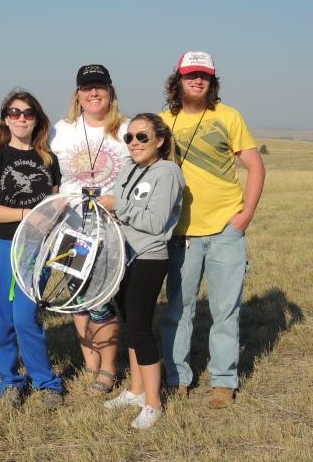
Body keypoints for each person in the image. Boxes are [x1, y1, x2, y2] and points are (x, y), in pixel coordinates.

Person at [159, 51, 265, 408]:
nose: (198, 80)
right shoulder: (162, 122)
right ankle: (176, 378)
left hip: (225, 230)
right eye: (191, 75)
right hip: (181, 234)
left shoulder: (229, 116)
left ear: (212, 80)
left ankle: (223, 380)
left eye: (204, 75)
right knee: (178, 309)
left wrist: (244, 216)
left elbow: (255, 166)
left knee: (225, 310)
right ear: (178, 79)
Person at [0, 89, 64, 409]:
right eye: (14, 113)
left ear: (37, 120)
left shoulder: (48, 160)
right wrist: (27, 215)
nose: (21, 118)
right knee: (0, 320)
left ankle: (46, 381)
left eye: (28, 113)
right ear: (5, 119)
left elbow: (54, 208)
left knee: (26, 316)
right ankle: (11, 381)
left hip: (36, 249)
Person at [99, 113, 184, 429]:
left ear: (160, 140)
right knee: (131, 324)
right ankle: (135, 390)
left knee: (140, 327)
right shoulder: (129, 167)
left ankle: (154, 403)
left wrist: (116, 206)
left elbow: (155, 222)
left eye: (142, 137)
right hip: (122, 255)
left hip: (148, 257)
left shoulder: (168, 172)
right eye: (129, 137)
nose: (134, 143)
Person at [50, 64, 130, 394]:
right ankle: (91, 365)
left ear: (111, 91)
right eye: (87, 88)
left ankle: (109, 368)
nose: (93, 93)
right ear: (78, 94)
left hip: (114, 228)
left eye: (100, 86)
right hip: (72, 230)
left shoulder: (126, 129)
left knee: (103, 299)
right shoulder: (61, 130)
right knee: (79, 298)